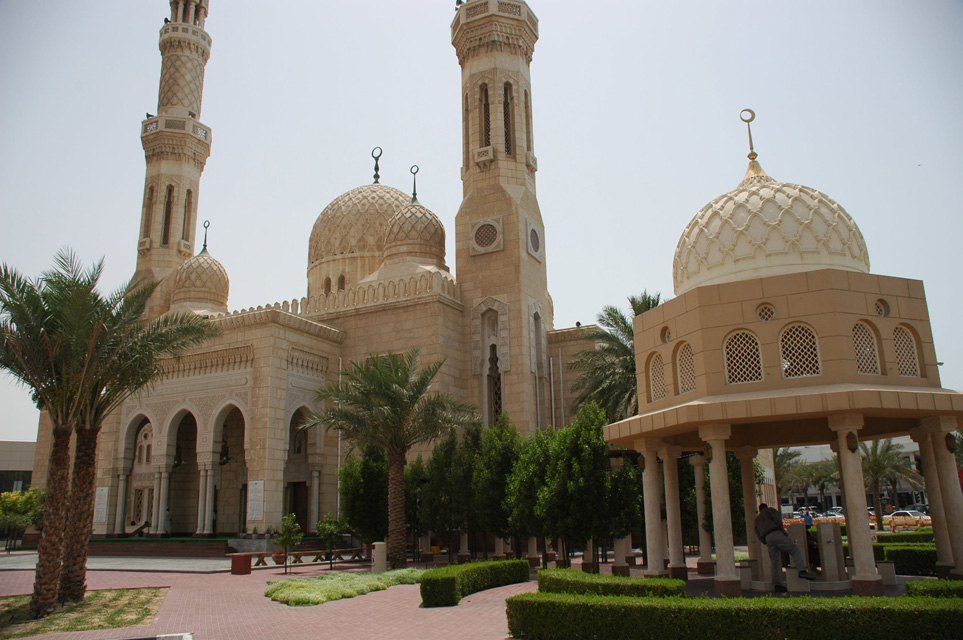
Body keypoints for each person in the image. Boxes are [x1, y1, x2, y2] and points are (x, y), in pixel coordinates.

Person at [754, 503, 815, 592]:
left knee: (774, 562)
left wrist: (765, 541)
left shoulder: (757, 519)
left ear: (760, 510)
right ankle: (802, 570)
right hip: (776, 533)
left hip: (767, 538)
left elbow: (757, 532)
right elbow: (778, 520)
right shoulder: (770, 510)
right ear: (766, 507)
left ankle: (776, 585)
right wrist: (783, 531)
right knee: (794, 549)